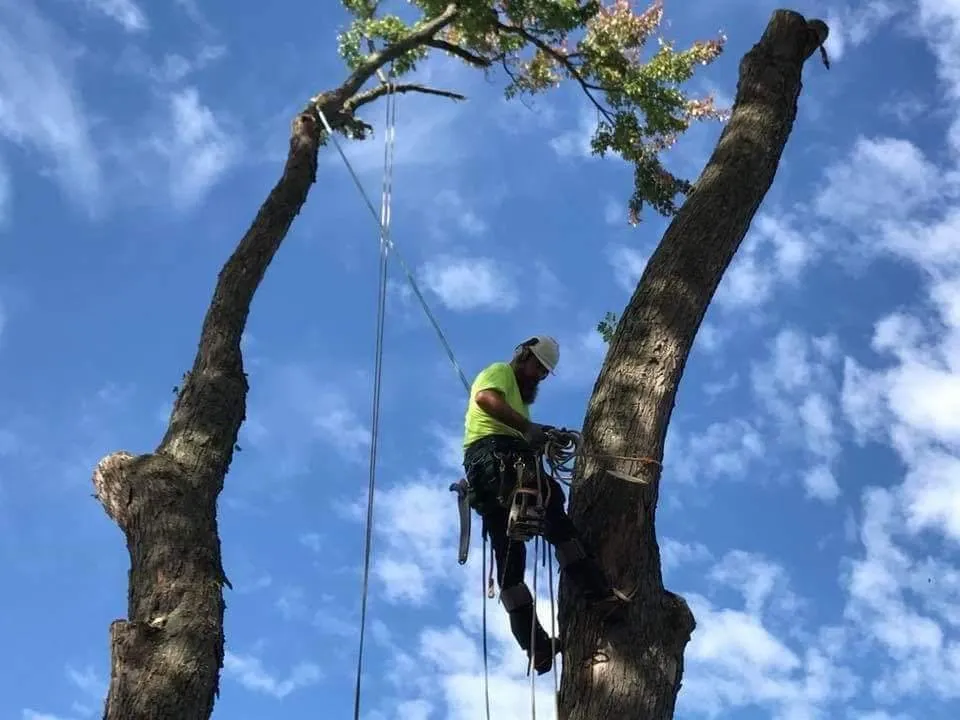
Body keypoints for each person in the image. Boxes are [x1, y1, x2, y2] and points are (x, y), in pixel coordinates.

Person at [461, 335, 626, 675]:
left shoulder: (520, 407)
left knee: (510, 565)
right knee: (554, 512)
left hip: (488, 475)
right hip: (497, 459)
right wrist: (526, 428)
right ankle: (600, 595)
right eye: (537, 367)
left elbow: (515, 424)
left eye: (544, 373)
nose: (538, 375)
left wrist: (538, 433)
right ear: (522, 355)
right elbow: (484, 399)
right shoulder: (499, 372)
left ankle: (536, 647)